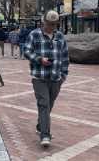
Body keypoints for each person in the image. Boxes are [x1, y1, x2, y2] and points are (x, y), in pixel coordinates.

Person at [24, 10, 69, 147]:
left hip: (56, 77)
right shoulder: (34, 34)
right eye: (49, 24)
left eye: (54, 24)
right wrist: (39, 59)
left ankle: (40, 125)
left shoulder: (60, 36)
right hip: (39, 77)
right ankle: (45, 135)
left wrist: (64, 75)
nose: (51, 27)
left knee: (49, 105)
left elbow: (65, 56)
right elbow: (27, 51)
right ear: (44, 22)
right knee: (44, 103)